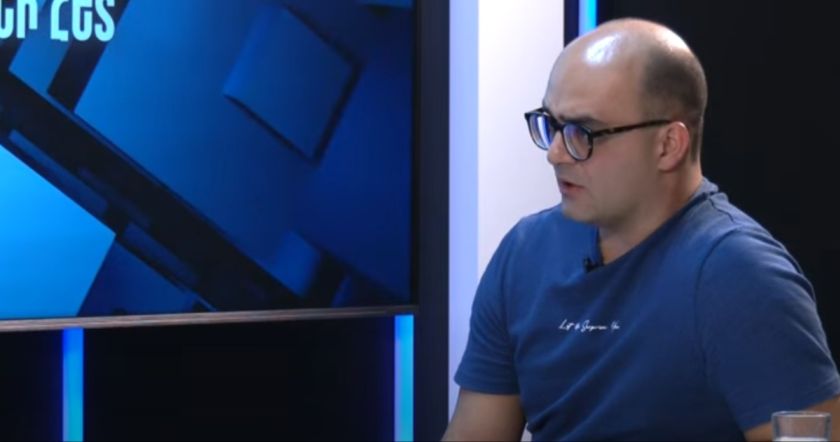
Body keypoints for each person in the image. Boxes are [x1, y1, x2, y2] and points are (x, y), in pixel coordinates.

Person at [443, 18, 840, 441]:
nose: (556, 153)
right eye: (552, 125)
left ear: (668, 145)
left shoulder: (740, 275)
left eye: (582, 132)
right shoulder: (525, 252)